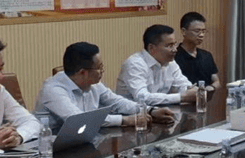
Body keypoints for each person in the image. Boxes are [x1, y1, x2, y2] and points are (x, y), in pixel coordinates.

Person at [34, 42, 174, 130]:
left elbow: (117, 102)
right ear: (83, 72)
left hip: (82, 139)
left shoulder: (93, 84)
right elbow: (80, 120)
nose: (102, 71)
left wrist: (150, 111)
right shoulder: (53, 89)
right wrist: (125, 120)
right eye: (99, 68)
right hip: (48, 147)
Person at [116, 25, 197, 104]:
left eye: (175, 44)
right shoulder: (135, 64)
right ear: (151, 48)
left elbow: (183, 85)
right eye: (170, 46)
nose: (175, 50)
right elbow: (142, 98)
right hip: (133, 112)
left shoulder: (170, 62)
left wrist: (193, 91)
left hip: (162, 110)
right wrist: (181, 97)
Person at [174, 11, 220, 90]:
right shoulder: (174, 56)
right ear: (183, 31)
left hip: (205, 97)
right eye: (197, 31)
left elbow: (216, 81)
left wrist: (211, 87)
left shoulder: (207, 55)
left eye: (203, 31)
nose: (201, 35)